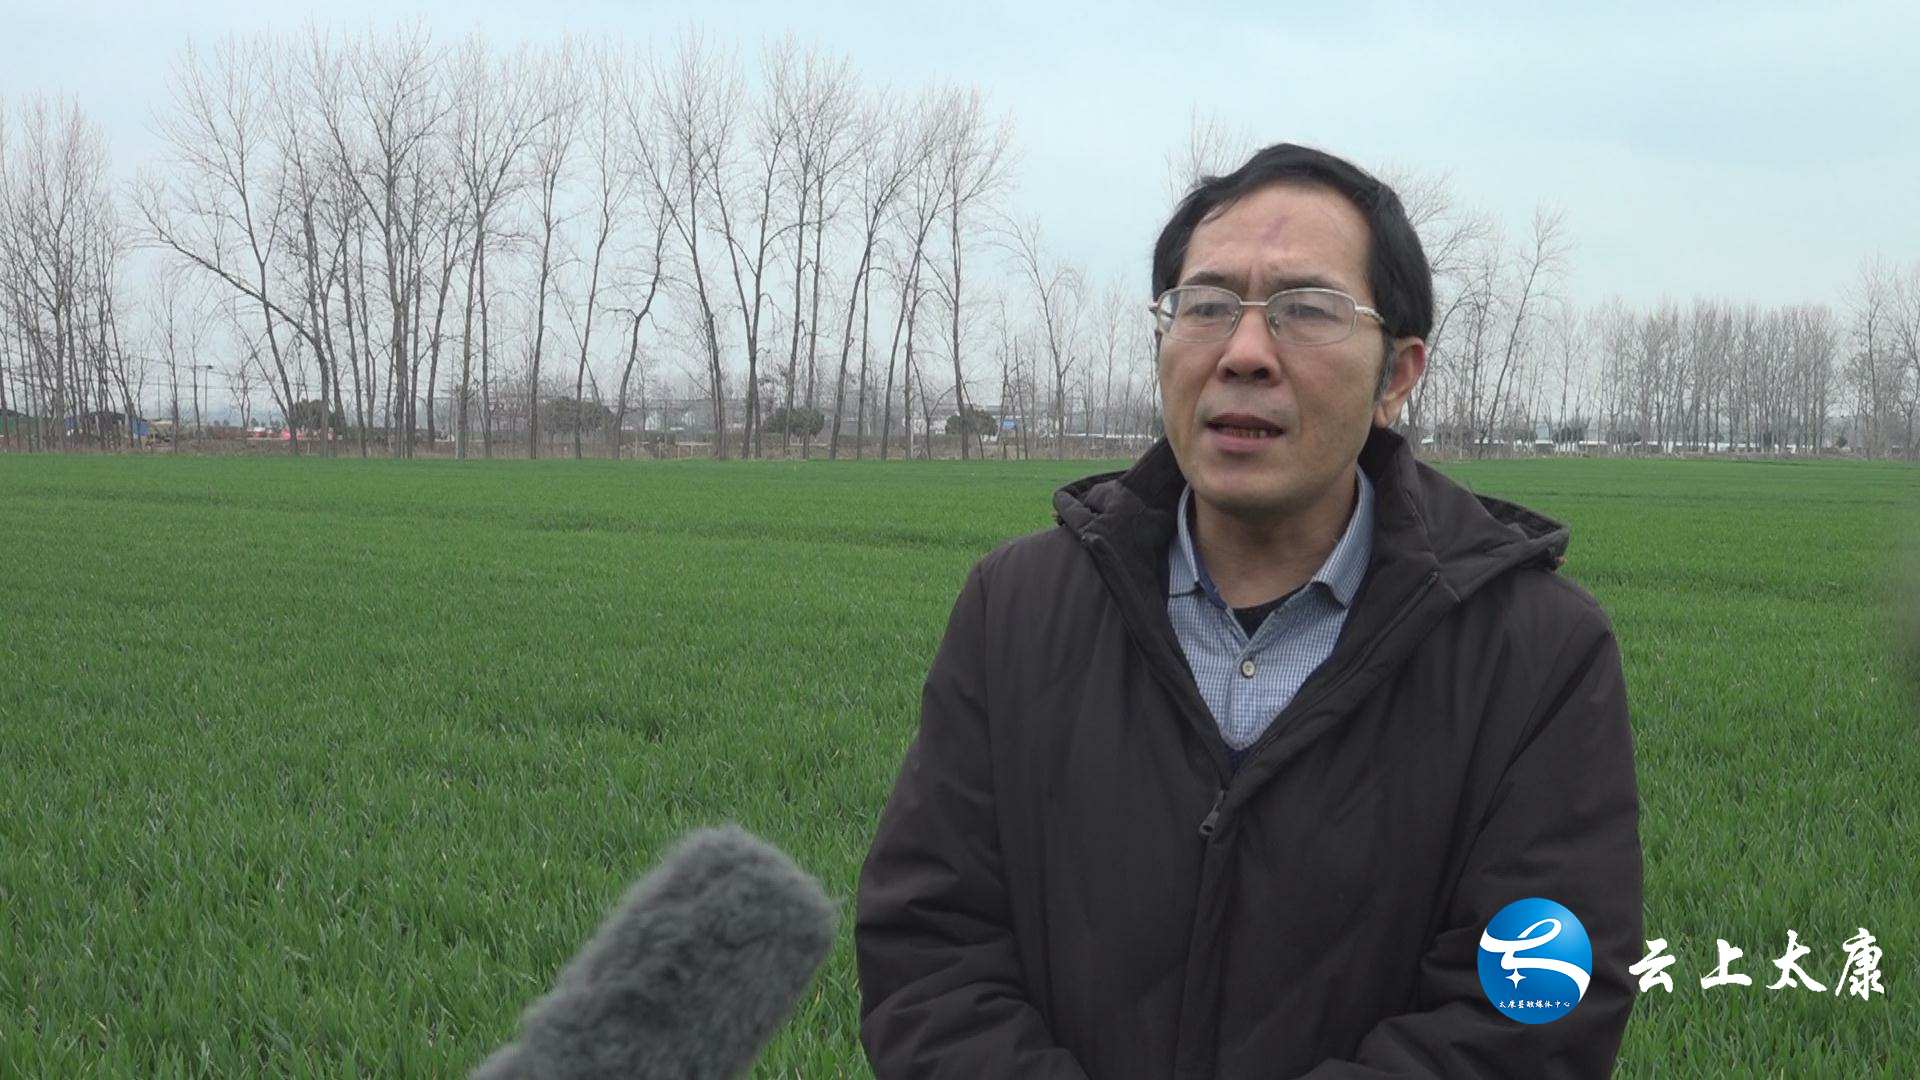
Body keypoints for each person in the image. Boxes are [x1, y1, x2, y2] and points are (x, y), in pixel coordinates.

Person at [855, 143, 1642, 1079]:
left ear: (1399, 373)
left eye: (1307, 311)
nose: (1243, 353)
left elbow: (1531, 1006)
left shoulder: (1534, 652)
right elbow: (931, 952)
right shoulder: (1018, 611)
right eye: (1207, 306)